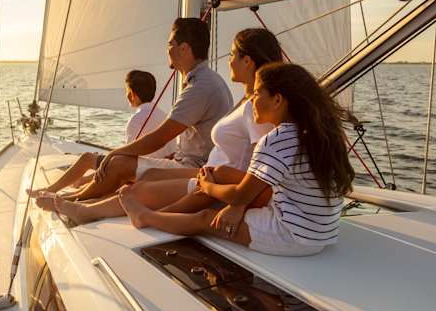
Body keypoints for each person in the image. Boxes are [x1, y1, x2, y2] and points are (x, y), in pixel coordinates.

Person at [38, 28, 282, 224]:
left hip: (215, 178)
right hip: (210, 171)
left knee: (123, 169)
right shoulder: (245, 99)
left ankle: (84, 208)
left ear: (247, 61)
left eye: (232, 55)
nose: (228, 61)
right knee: (147, 176)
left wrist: (237, 203)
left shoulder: (246, 101)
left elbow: (264, 162)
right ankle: (81, 203)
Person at [120, 62, 355, 257]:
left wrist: (208, 186)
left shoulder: (276, 140)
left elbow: (241, 195)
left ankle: (145, 217)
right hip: (321, 230)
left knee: (205, 218)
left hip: (293, 235)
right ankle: (169, 210)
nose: (251, 100)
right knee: (222, 172)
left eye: (257, 93)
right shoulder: (315, 133)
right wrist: (220, 180)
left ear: (277, 100)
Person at [35, 17, 233, 202]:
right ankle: (73, 196)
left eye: (169, 44)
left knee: (117, 163)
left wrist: (114, 153)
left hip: (195, 169)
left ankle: (71, 200)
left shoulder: (200, 87)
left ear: (183, 49)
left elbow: (159, 138)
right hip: (192, 163)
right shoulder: (206, 81)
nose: (167, 49)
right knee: (117, 162)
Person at [28, 70, 175, 195]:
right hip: (159, 169)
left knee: (86, 158)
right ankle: (80, 182)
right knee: (101, 161)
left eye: (127, 92)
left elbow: (124, 161)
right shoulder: (166, 116)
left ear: (132, 94)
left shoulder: (136, 120)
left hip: (140, 171)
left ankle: (50, 190)